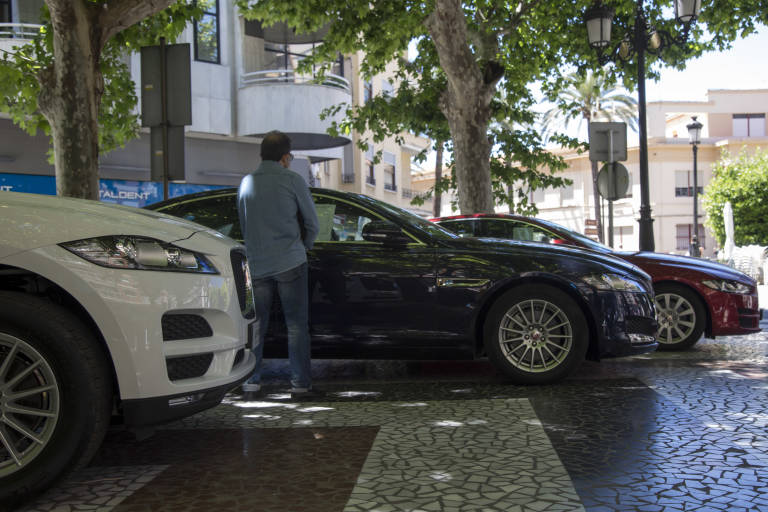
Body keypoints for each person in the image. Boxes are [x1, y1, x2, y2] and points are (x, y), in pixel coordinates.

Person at [237, 131, 320, 400]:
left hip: (257, 263)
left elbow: (244, 224)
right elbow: (312, 224)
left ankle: (251, 381)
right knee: (296, 326)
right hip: (290, 261)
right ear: (286, 157)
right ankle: (300, 385)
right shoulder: (293, 180)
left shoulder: (246, 182)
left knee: (256, 325)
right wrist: (303, 246)